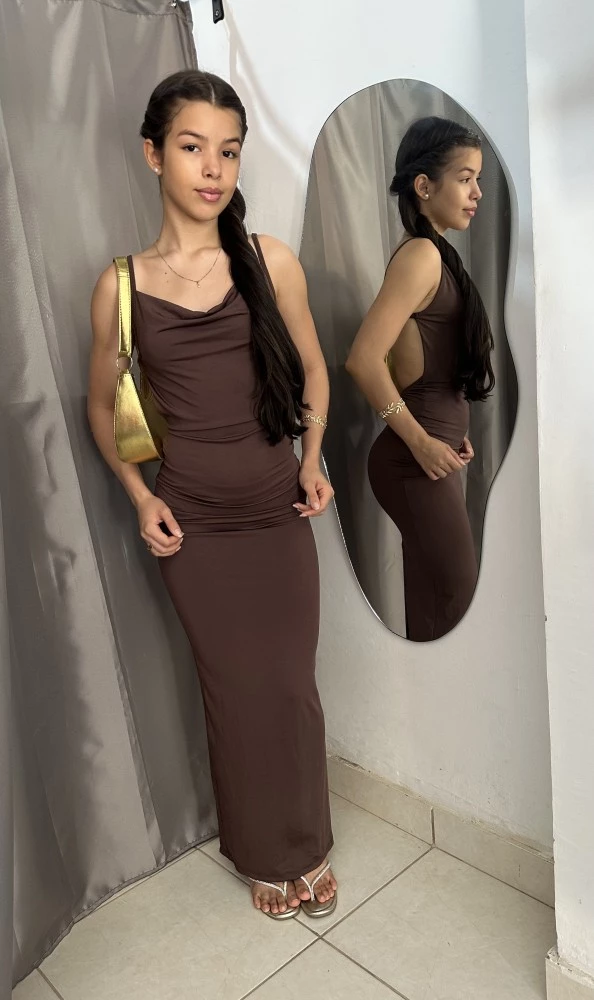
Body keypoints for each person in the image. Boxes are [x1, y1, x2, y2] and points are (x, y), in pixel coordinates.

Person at [87, 70, 337, 918]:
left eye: (228, 152)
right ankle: (264, 853)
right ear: (154, 155)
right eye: (193, 148)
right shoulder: (121, 285)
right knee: (234, 688)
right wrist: (138, 496)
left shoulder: (268, 260)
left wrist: (312, 458)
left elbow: (313, 370)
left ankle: (309, 843)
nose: (212, 169)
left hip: (277, 510)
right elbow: (101, 407)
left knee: (291, 684)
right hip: (193, 526)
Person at [346, 117, 495, 642]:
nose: (477, 193)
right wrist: (422, 441)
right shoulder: (421, 255)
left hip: (432, 456)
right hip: (412, 463)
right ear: (425, 186)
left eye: (478, 180)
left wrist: (449, 434)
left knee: (435, 602)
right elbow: (363, 360)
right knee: (457, 596)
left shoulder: (441, 255)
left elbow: (429, 370)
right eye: (465, 178)